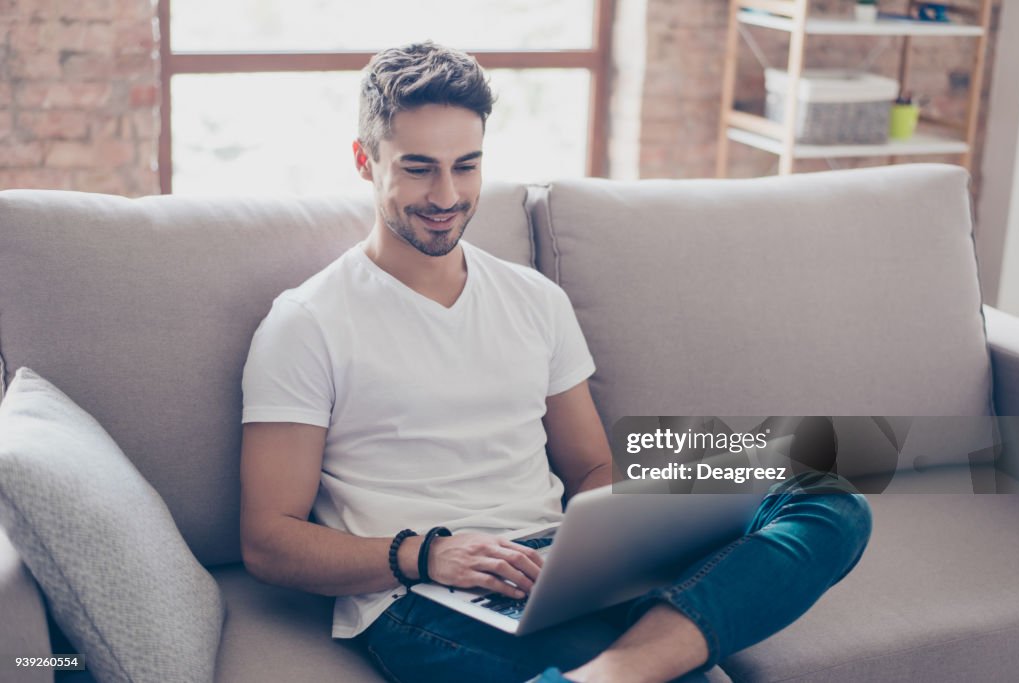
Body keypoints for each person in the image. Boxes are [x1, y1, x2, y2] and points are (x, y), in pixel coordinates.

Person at [239, 42, 872, 683]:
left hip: (553, 566)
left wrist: (618, 547)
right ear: (363, 160)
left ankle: (619, 670)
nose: (447, 194)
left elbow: (591, 466)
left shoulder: (534, 299)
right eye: (418, 168)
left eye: (467, 165)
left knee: (825, 499)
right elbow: (268, 540)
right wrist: (428, 555)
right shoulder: (307, 322)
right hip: (419, 597)